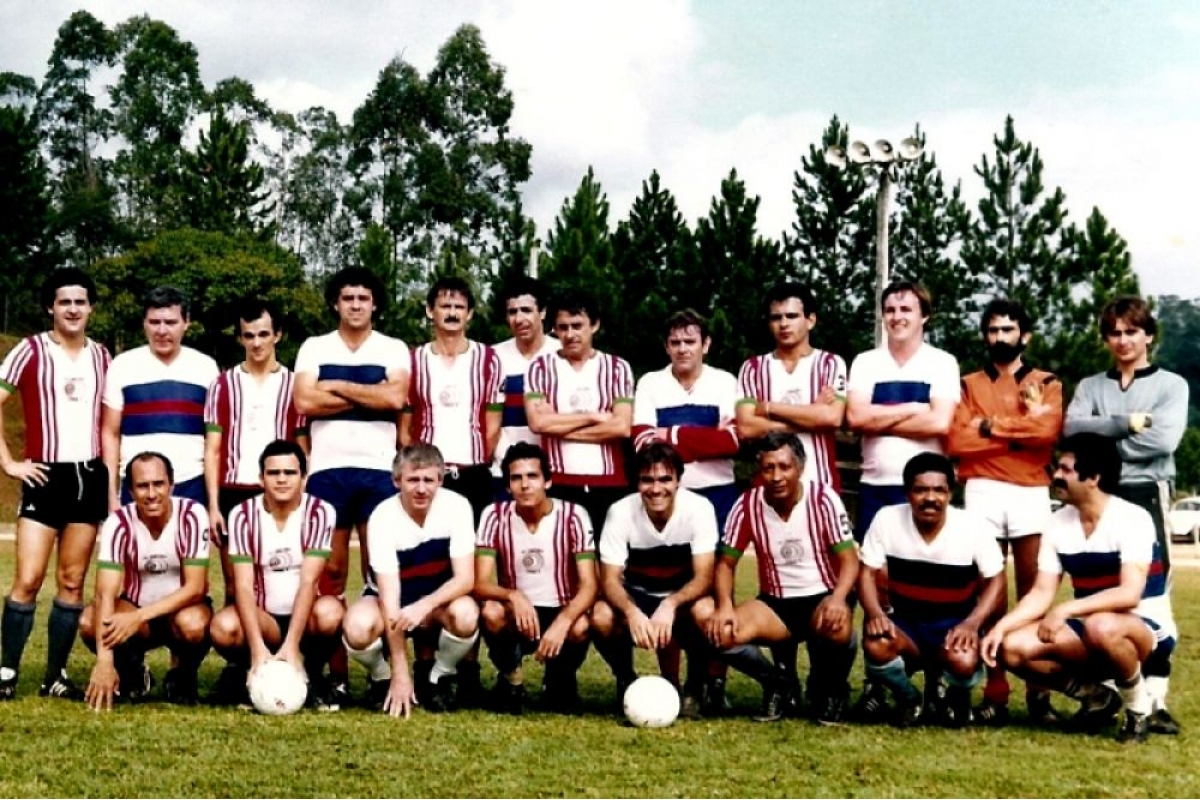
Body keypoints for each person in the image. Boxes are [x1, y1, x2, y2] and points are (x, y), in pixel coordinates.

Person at [981, 433, 1177, 744]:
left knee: (1101, 625)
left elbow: (1130, 594)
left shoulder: (1132, 518)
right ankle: (1096, 696)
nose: (1056, 476)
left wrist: (1067, 608)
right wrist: (1000, 628)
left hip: (1146, 629)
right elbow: (1041, 592)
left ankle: (1139, 711)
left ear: (1094, 477)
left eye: (1066, 469)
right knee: (1011, 647)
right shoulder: (1058, 523)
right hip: (1093, 628)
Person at [1063, 295, 1187, 735]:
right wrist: (1130, 422)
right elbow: (1071, 428)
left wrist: (1103, 432)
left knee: (1151, 592)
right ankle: (1107, 695)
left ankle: (1155, 704)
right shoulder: (1092, 385)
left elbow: (1163, 442)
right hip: (1099, 494)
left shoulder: (1172, 386)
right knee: (1097, 587)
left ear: (1148, 334)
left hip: (1147, 491)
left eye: (1131, 331)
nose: (1123, 340)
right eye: (1114, 333)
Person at [293, 266, 410, 702]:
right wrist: (368, 390)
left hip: (379, 471)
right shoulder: (314, 346)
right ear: (336, 303)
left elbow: (395, 399)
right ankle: (337, 676)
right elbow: (305, 399)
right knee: (332, 574)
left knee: (380, 571)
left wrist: (336, 385)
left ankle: (381, 670)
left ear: (374, 304)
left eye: (363, 298)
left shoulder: (393, 347)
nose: (356, 305)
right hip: (327, 471)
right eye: (348, 298)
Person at [946, 298, 1063, 726]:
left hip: (1031, 488)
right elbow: (958, 442)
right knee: (989, 588)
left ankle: (1039, 691)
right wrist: (1020, 432)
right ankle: (996, 690)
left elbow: (1047, 432)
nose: (1000, 338)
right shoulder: (967, 383)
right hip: (982, 487)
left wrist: (989, 426)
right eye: (993, 330)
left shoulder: (1046, 382)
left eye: (1008, 330)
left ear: (1024, 336)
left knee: (1034, 588)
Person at [846, 280, 959, 717]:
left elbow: (943, 419)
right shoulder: (866, 362)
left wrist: (883, 418)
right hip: (877, 485)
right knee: (875, 586)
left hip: (927, 488)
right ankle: (877, 681)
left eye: (906, 309)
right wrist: (914, 411)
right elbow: (856, 417)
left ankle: (935, 683)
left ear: (924, 315)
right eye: (890, 309)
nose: (896, 316)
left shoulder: (942, 362)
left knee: (929, 588)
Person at [693, 432, 859, 724]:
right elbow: (725, 564)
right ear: (759, 471)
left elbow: (849, 560)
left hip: (822, 596)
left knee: (839, 625)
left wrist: (838, 598)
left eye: (785, 467)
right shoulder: (747, 505)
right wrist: (724, 607)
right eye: (768, 468)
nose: (776, 476)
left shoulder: (823, 498)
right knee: (720, 632)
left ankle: (833, 690)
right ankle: (777, 682)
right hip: (776, 606)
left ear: (800, 468)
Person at [0, 268, 111, 700]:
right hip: (44, 474)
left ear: (91, 308)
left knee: (71, 581)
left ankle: (55, 676)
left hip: (87, 478)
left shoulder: (102, 356)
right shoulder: (29, 351)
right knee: (27, 579)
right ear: (50, 307)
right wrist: (10, 463)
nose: (72, 309)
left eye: (80, 302)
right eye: (64, 301)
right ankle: (7, 672)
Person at [859, 452, 1006, 728]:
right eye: (921, 490)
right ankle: (909, 697)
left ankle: (950, 696)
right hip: (906, 626)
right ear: (907, 493)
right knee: (876, 644)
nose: (930, 498)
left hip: (952, 625)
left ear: (950, 493)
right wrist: (875, 612)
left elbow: (997, 580)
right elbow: (866, 572)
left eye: (939, 490)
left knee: (963, 661)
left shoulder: (973, 526)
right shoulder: (887, 519)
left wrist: (972, 624)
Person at [341, 444, 479, 717]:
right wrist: (399, 671)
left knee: (466, 614)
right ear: (396, 481)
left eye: (429, 480)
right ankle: (382, 678)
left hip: (437, 599)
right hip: (394, 600)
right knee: (357, 627)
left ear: (440, 479)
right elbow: (390, 599)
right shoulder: (382, 516)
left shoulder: (458, 506)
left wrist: (424, 606)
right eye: (412, 479)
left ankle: (438, 676)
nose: (421, 488)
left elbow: (465, 579)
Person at [208, 440, 344, 709]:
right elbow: (243, 587)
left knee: (331, 613)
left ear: (304, 478)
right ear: (261, 478)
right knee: (223, 627)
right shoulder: (242, 515)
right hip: (265, 620)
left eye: (290, 473)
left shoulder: (320, 512)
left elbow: (309, 581)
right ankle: (244, 669)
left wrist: (292, 644)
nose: (282, 480)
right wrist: (258, 648)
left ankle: (312, 671)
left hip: (306, 620)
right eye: (273, 473)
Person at [591, 442, 717, 717]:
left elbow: (705, 577)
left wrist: (671, 605)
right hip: (638, 595)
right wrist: (631, 611)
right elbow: (609, 580)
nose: (656, 488)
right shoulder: (620, 512)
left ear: (679, 481)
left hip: (682, 596)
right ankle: (626, 679)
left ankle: (695, 687)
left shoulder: (699, 508)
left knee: (707, 611)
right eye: (647, 480)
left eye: (665, 479)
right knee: (601, 616)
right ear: (636, 483)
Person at [79, 452, 212, 710]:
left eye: (158, 484)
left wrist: (139, 616)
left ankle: (182, 675)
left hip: (181, 612)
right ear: (130, 490)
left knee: (194, 624)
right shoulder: (118, 523)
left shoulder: (193, 514)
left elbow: (195, 587)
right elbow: (105, 594)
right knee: (88, 621)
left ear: (171, 485)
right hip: (137, 612)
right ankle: (133, 673)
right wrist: (104, 662)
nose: (151, 494)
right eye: (142, 486)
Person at [474, 442, 596, 714]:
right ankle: (511, 680)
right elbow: (479, 583)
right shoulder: (493, 515)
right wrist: (512, 595)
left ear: (548, 481)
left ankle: (559, 681)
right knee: (492, 612)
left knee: (580, 626)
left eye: (532, 476)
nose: (525, 485)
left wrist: (563, 622)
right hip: (518, 612)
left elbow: (590, 584)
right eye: (516, 478)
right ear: (507, 486)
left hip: (559, 609)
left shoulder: (574, 516)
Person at [203, 299, 308, 607]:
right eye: (249, 336)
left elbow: (302, 446)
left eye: (263, 334)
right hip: (233, 491)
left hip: (282, 492)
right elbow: (212, 450)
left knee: (282, 579)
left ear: (277, 335)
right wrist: (213, 505)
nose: (257, 342)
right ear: (240, 338)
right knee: (237, 586)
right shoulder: (222, 385)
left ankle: (285, 652)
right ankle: (237, 654)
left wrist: (304, 491)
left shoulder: (293, 384)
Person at [525, 289, 633, 538]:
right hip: (558, 481)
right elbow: (537, 423)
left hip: (608, 482)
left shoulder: (617, 368)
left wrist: (559, 426)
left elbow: (621, 427)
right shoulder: (539, 368)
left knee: (607, 564)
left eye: (577, 326)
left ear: (594, 325)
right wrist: (594, 417)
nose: (570, 334)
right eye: (563, 328)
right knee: (562, 565)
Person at [101, 287, 219, 510]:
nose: (162, 331)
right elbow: (110, 433)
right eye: (154, 322)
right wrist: (110, 495)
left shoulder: (206, 368)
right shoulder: (122, 366)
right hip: (138, 486)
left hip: (191, 484)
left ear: (186, 323)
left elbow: (213, 441)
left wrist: (213, 503)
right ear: (144, 323)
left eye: (171, 322)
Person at [401, 276, 503, 522]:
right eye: (445, 306)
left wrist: (478, 461)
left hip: (474, 474)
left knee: (476, 552)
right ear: (430, 311)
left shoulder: (488, 359)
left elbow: (493, 425)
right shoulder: (412, 360)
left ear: (469, 314)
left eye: (459, 307)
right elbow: (404, 427)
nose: (452, 313)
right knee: (432, 553)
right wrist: (418, 468)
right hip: (428, 476)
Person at [634, 309, 740, 528]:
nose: (682, 349)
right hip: (667, 495)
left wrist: (670, 434)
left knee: (719, 561)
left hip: (719, 493)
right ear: (666, 347)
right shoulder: (650, 383)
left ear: (706, 344)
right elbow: (643, 444)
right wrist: (708, 438)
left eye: (690, 341)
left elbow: (731, 442)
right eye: (675, 342)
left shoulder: (725, 381)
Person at [735, 282, 847, 490]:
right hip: (769, 488)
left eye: (792, 316)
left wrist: (770, 408)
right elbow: (746, 428)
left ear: (810, 320)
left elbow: (832, 418)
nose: (784, 324)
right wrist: (812, 416)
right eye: (776, 318)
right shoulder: (752, 368)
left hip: (820, 484)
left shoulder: (830, 364)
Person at [490, 276, 558, 497]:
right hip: (504, 472)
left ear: (543, 312)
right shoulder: (492, 357)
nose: (519, 319)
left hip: (554, 470)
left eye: (527, 310)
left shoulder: (561, 355)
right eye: (512, 312)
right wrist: (505, 457)